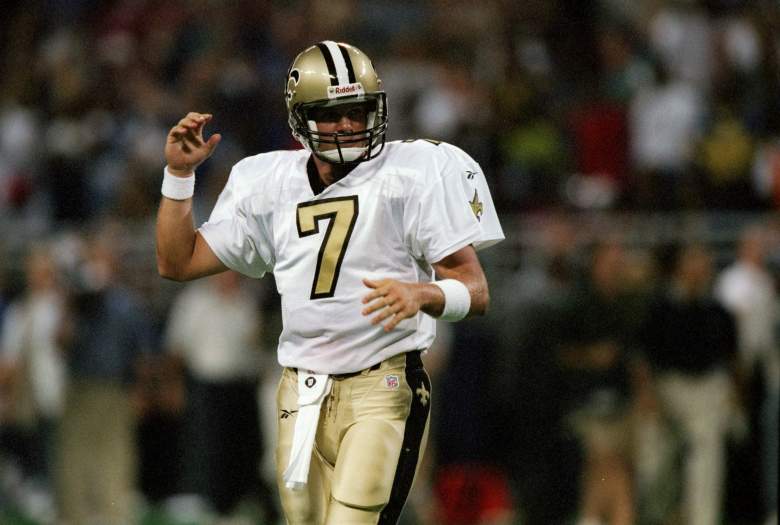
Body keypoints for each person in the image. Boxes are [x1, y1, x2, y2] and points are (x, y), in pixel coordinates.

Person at [156, 41, 503, 524]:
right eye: (332, 113)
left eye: (358, 111)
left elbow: (476, 289)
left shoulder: (411, 174)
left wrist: (422, 293)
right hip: (299, 389)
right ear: (301, 119)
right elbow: (178, 261)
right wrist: (178, 176)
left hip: (382, 383)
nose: (347, 125)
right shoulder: (269, 182)